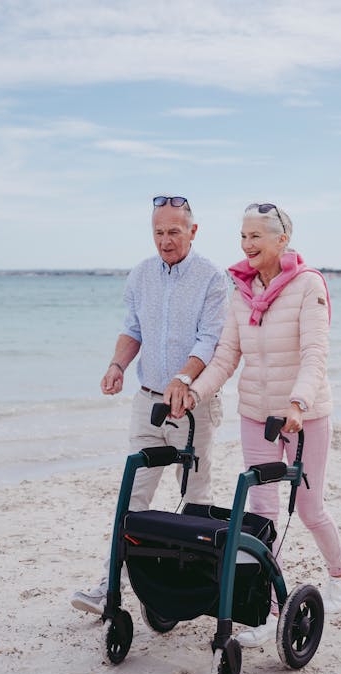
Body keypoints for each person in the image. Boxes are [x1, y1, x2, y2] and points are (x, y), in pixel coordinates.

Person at [164, 202, 341, 647]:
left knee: (309, 509)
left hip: (304, 415)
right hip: (255, 414)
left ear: (281, 240)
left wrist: (298, 402)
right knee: (263, 516)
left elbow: (314, 354)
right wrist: (195, 392)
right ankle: (268, 608)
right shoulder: (241, 292)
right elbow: (227, 356)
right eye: (243, 237)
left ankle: (340, 573)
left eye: (256, 237)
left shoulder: (309, 286)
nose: (247, 245)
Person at [71, 195, 229, 615]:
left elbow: (209, 340)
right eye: (158, 232)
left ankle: (200, 585)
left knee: (196, 499)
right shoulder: (140, 275)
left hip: (192, 405)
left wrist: (184, 378)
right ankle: (111, 587)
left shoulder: (213, 278)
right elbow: (132, 329)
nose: (165, 240)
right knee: (133, 497)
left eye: (174, 232)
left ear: (193, 231)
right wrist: (117, 364)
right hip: (146, 405)